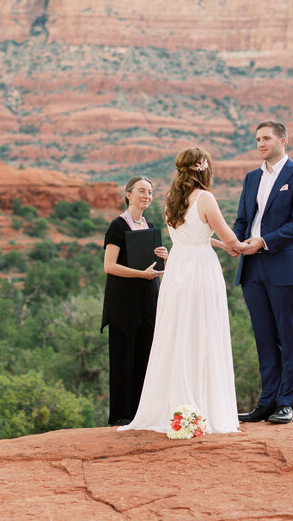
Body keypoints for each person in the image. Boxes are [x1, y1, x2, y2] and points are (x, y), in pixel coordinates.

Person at [119, 148, 243, 435]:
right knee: (203, 329)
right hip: (200, 269)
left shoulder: (171, 199)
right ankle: (205, 406)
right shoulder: (205, 197)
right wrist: (240, 245)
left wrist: (223, 245)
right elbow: (226, 234)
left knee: (176, 332)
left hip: (178, 266)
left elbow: (191, 236)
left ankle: (173, 405)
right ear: (202, 167)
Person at [231, 120, 293, 425]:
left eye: (266, 138)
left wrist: (264, 241)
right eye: (257, 139)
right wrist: (237, 241)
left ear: (283, 140)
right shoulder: (251, 177)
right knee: (264, 337)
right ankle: (266, 403)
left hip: (284, 265)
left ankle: (286, 403)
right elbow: (243, 218)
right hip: (252, 266)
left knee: (287, 336)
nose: (260, 144)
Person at [101, 176, 167, 426]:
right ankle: (120, 416)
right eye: (141, 191)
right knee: (122, 360)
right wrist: (141, 274)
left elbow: (153, 265)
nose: (147, 196)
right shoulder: (117, 226)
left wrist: (164, 256)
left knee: (144, 358)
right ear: (128, 194)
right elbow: (109, 266)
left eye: (150, 192)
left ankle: (141, 414)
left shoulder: (149, 225)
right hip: (123, 304)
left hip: (147, 302)